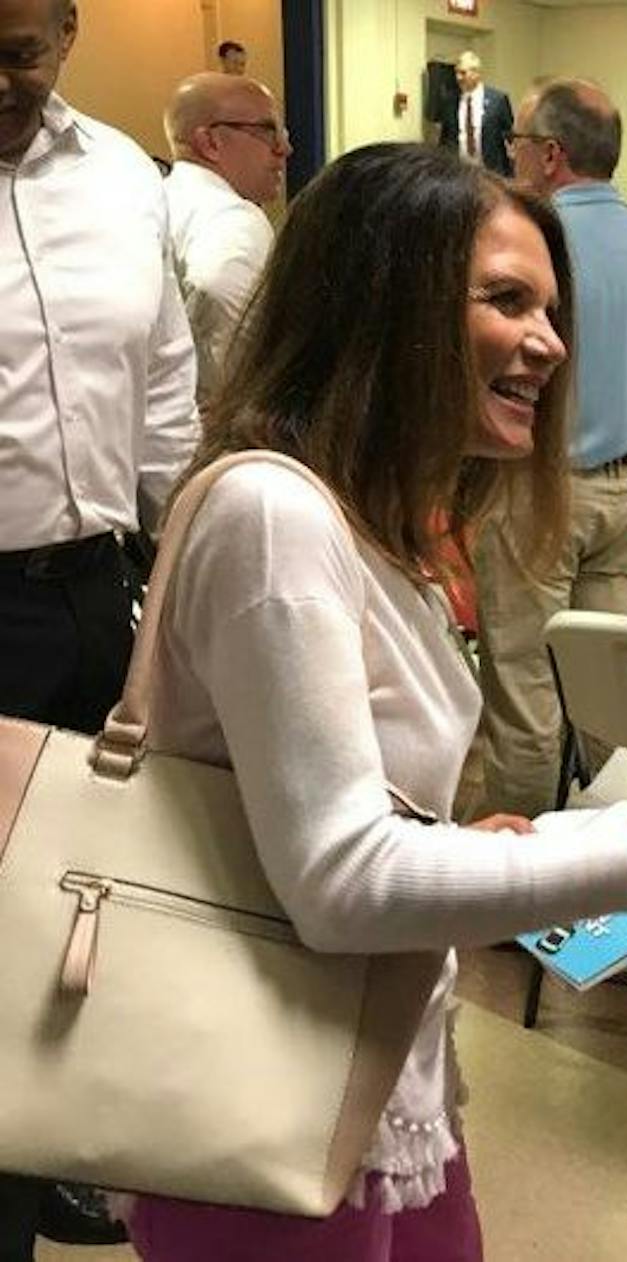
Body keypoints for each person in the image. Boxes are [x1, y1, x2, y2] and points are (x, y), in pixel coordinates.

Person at [119, 143, 627, 1262]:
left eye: (549, 308)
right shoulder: (273, 517)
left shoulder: (371, 526)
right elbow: (340, 883)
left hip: (370, 1052)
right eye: (505, 300)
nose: (548, 341)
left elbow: (331, 815)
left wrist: (451, 843)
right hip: (264, 1079)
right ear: (380, 301)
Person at [0, 0, 199, 1254]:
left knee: (87, 893)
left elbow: (166, 376)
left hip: (96, 590)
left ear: (68, 32)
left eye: (17, 51)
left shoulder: (124, 174)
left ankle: (55, 1142)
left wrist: (180, 555)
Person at [475, 77, 627, 818]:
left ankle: (523, 879)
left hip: (542, 490)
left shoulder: (527, 247)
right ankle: (616, 856)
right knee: (605, 695)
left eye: (516, 145)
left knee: (527, 689)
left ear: (550, 155)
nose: (510, 159)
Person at [164, 72, 291, 403]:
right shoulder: (233, 217)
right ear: (210, 142)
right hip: (219, 425)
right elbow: (218, 286)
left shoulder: (158, 201)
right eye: (268, 131)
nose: (284, 149)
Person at [437, 51, 513, 176]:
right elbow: (444, 140)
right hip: (459, 174)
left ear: (476, 73)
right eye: (456, 72)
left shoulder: (498, 100)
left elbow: (511, 137)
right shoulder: (450, 102)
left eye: (463, 73)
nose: (458, 78)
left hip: (491, 172)